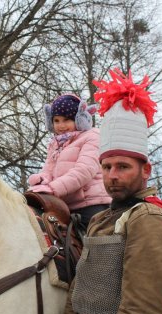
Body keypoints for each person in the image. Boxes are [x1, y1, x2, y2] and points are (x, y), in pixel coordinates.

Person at [60, 69, 162, 314]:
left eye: (123, 167)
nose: (113, 176)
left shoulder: (148, 220)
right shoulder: (99, 219)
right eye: (106, 167)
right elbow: (78, 295)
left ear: (146, 170)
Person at [28, 94, 111, 234]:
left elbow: (84, 171)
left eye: (66, 120)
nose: (61, 126)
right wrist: (41, 181)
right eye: (56, 120)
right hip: (63, 205)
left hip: (92, 203)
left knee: (97, 245)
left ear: (79, 119)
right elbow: (48, 170)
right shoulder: (55, 144)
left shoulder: (93, 136)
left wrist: (52, 189)